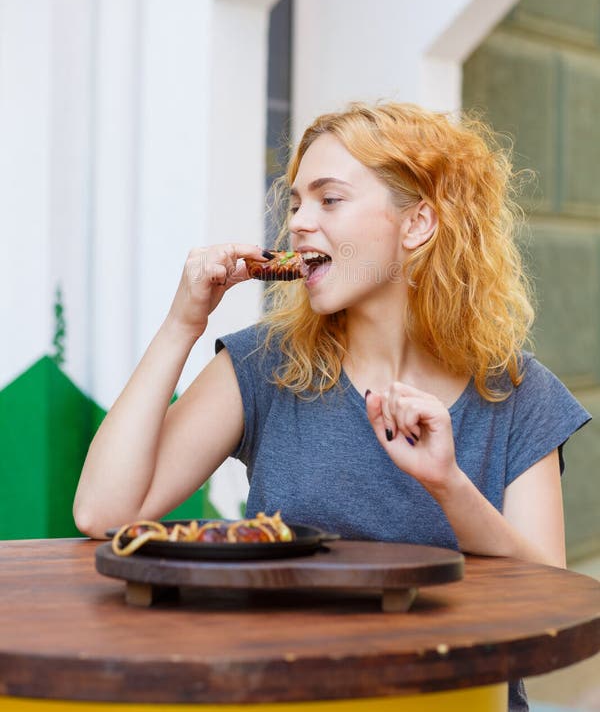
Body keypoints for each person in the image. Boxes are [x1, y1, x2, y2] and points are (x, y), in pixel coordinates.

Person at [74, 102, 590, 709]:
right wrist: (181, 323)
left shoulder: (517, 394)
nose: (298, 223)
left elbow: (548, 598)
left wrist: (449, 485)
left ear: (417, 223)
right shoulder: (264, 367)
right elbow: (104, 514)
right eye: (295, 203)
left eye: (330, 199)